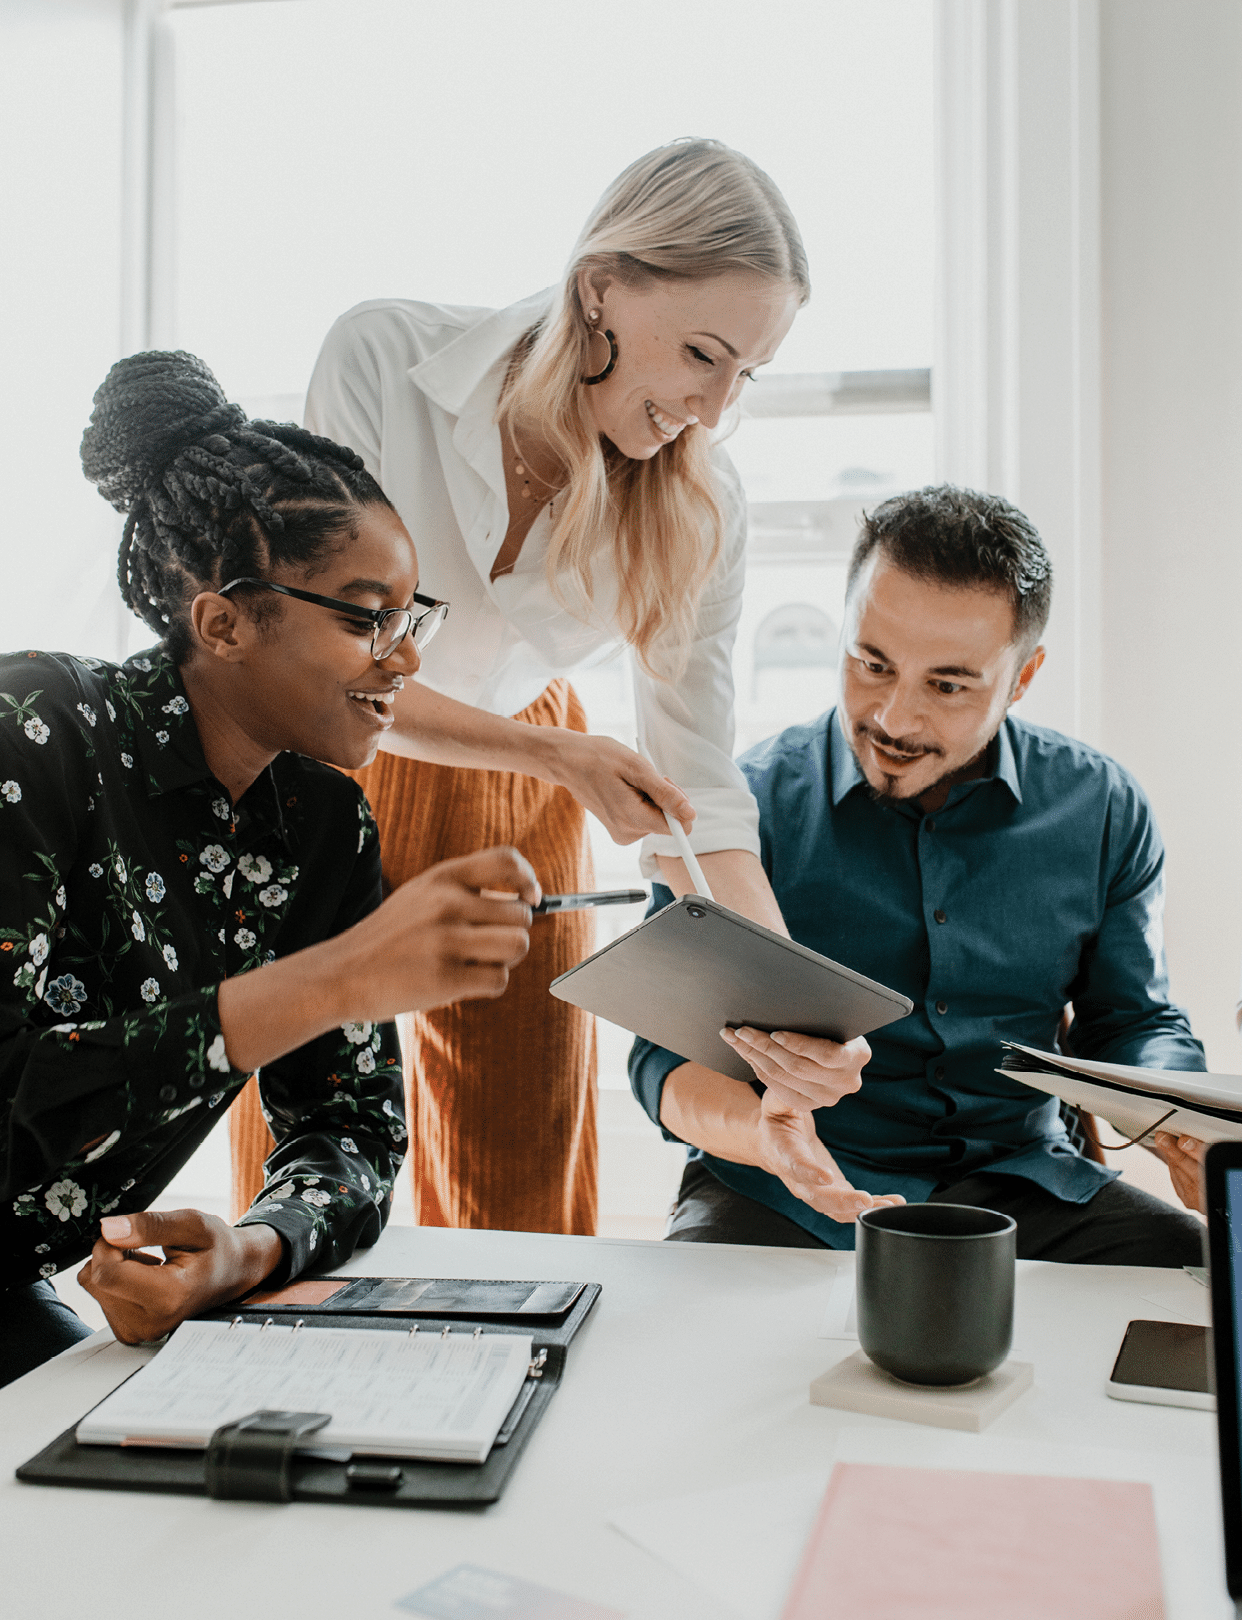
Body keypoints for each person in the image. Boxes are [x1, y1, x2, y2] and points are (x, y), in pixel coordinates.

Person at [226, 137, 810, 1235]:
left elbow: (699, 787)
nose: (716, 407)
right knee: (298, 1138)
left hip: (522, 767)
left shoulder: (704, 504)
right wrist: (557, 756)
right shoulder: (383, 358)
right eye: (700, 354)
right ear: (601, 287)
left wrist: (786, 1001)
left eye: (745, 374)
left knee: (520, 1154)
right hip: (320, 756)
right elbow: (331, 666)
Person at [0, 350, 540, 1386]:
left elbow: (352, 1124)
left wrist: (250, 1250)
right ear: (224, 622)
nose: (407, 656)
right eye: (363, 615)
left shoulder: (323, 823)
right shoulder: (35, 734)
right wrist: (334, 981)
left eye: (410, 615)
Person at [630, 485, 1208, 1265]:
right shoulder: (739, 810)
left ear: (1023, 677)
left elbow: (1133, 1023)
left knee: (1201, 1291)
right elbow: (661, 1059)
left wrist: (1185, 1123)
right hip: (784, 1189)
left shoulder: (1100, 807)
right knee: (695, 1352)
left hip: (1024, 1188)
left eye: (947, 685)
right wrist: (768, 1141)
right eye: (871, 663)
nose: (895, 718)